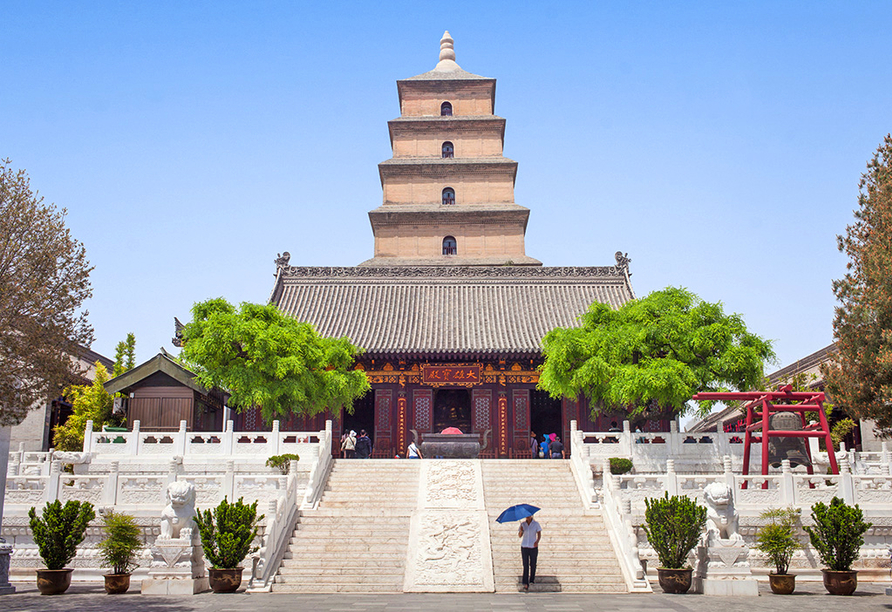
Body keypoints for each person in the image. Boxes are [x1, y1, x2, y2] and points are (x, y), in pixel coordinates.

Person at [518, 514, 542, 591]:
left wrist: (537, 541)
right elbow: (519, 535)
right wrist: (521, 530)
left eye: (529, 516)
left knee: (533, 563)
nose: (527, 517)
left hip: (533, 546)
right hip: (524, 546)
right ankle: (525, 582)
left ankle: (532, 579)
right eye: (526, 516)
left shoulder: (536, 524)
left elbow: (539, 533)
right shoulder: (523, 524)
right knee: (525, 564)